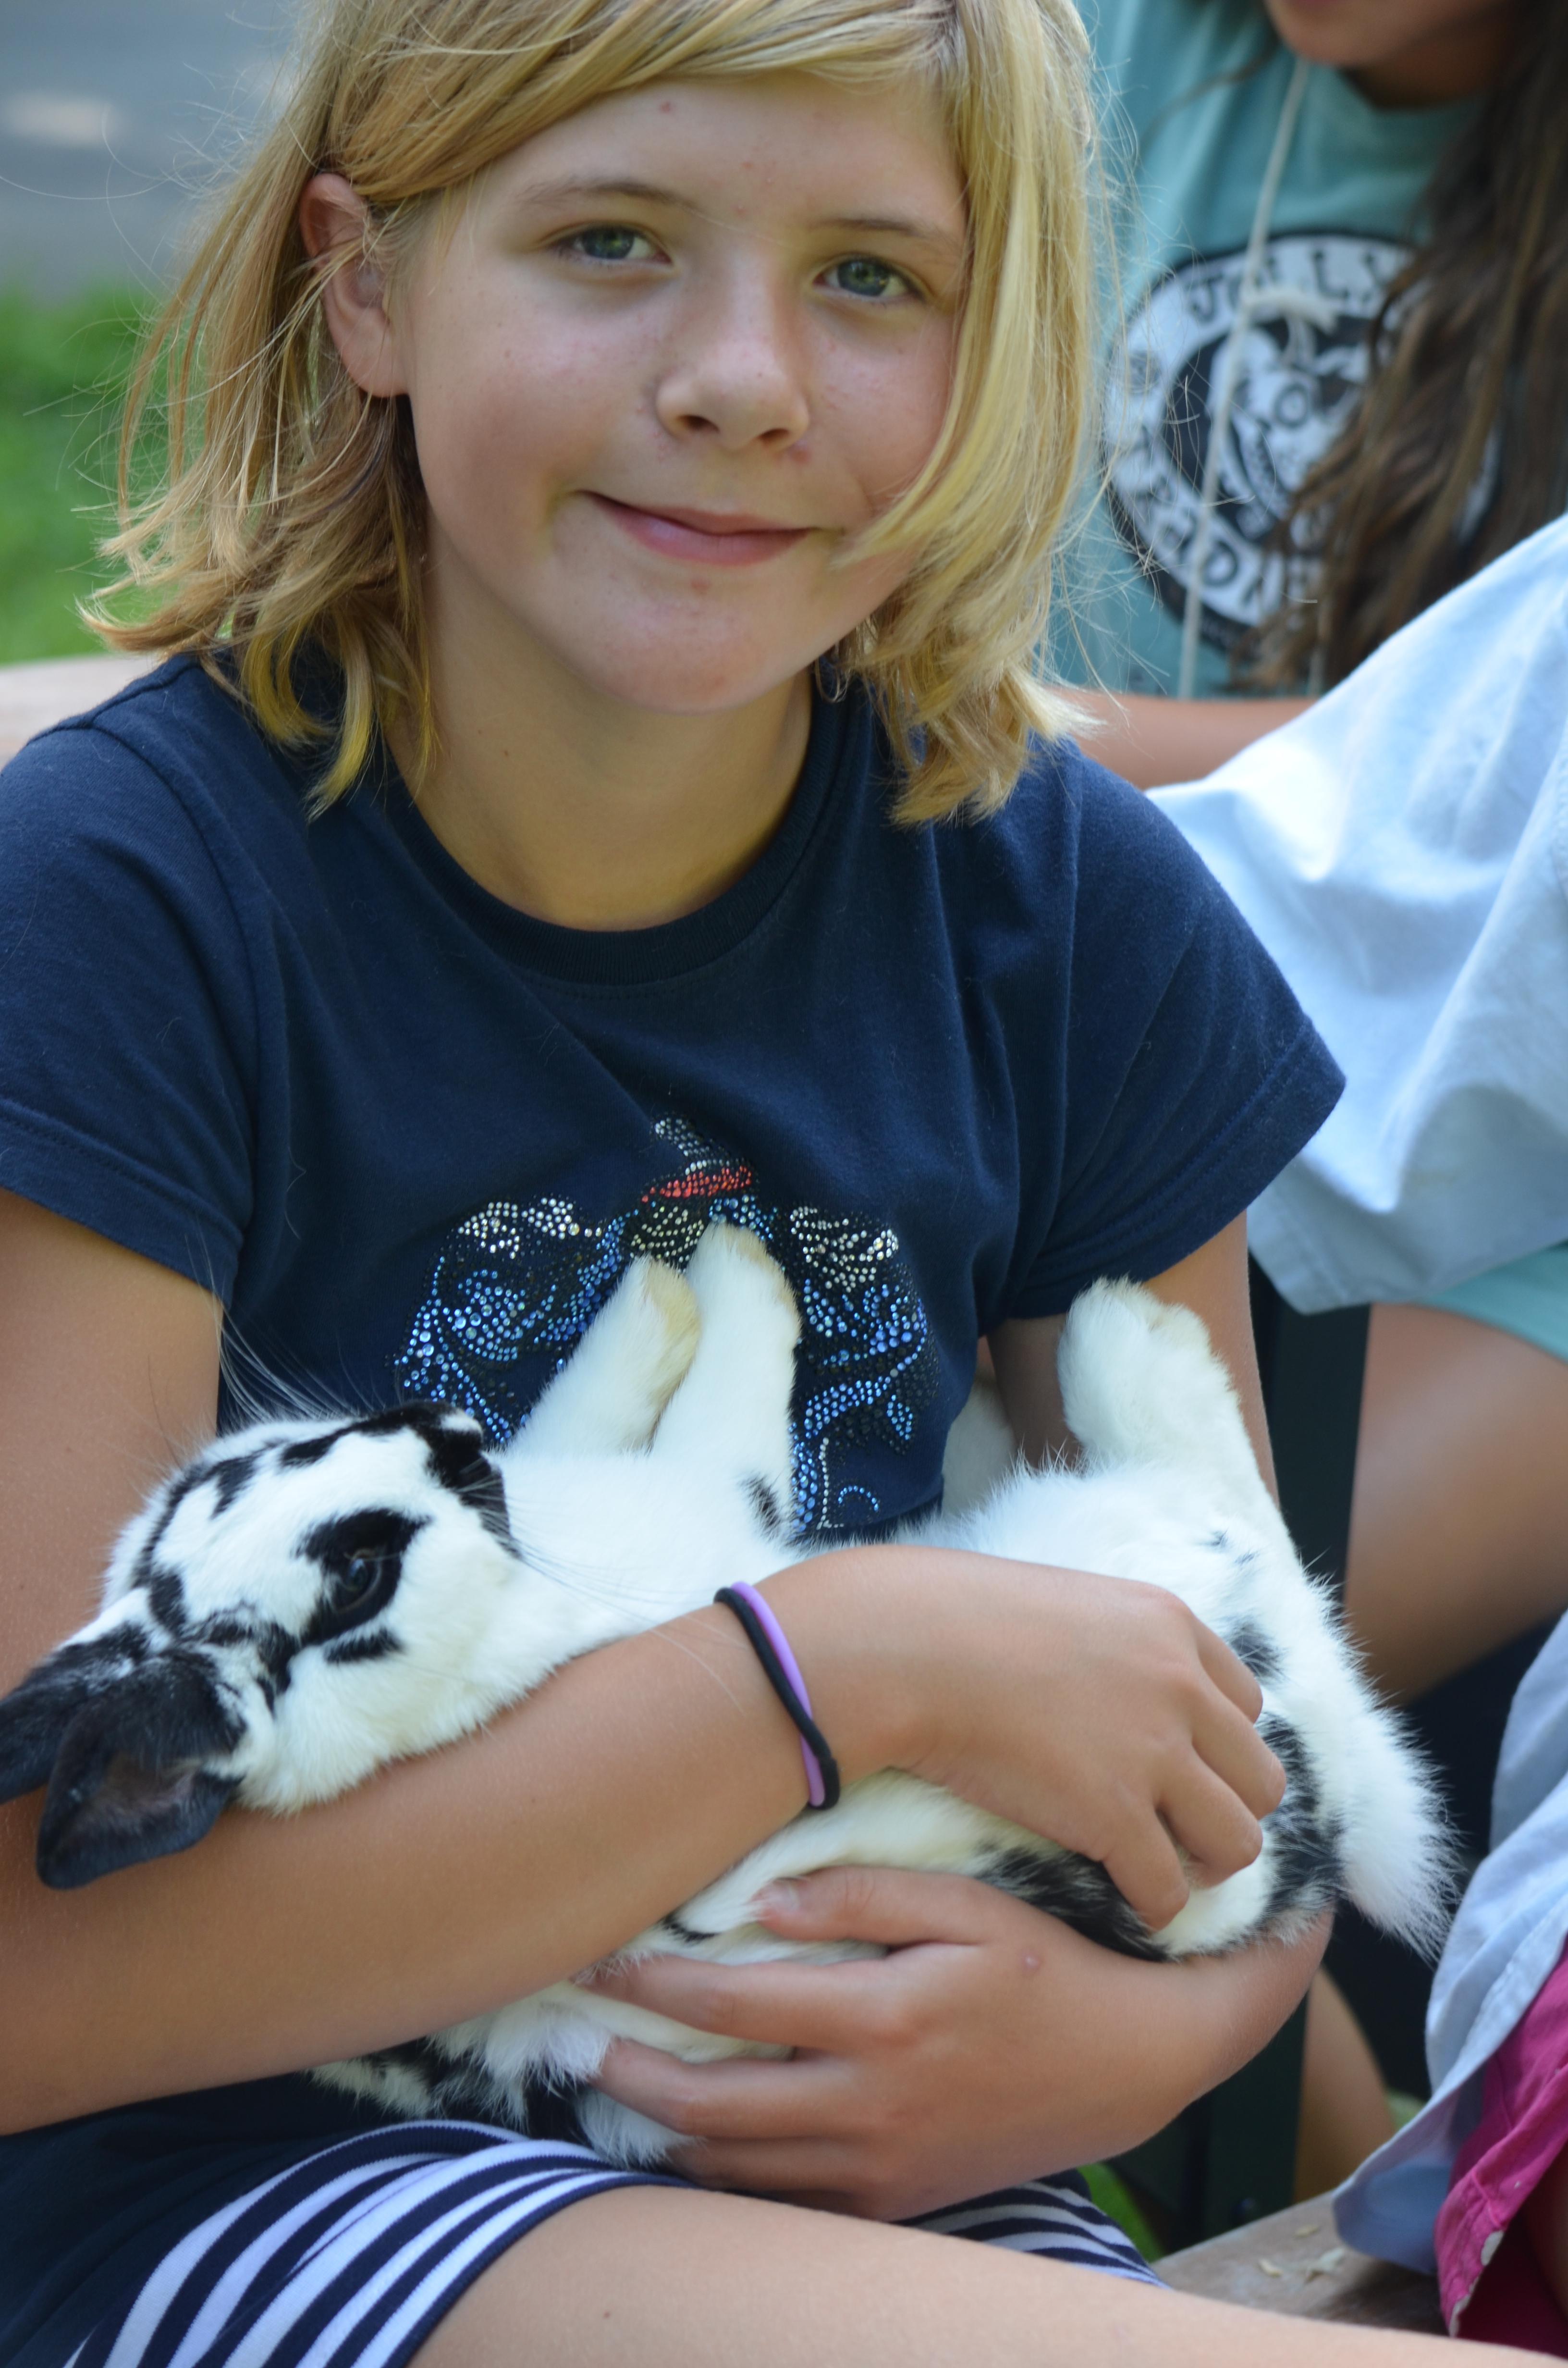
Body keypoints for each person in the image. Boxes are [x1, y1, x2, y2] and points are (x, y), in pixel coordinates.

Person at [0, 3, 1536, 2364]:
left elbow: (1251, 1744)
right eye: (612, 242)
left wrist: (1134, 2033)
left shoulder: (1067, 917)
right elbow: (36, 1961)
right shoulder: (126, 914)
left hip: (855, 2180)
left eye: (870, 278)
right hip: (209, 2177)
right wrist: (829, 1672)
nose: (741, 376)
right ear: (367, 288)